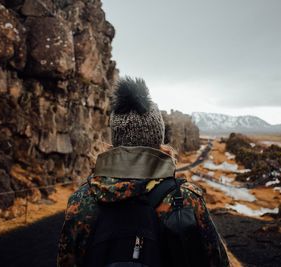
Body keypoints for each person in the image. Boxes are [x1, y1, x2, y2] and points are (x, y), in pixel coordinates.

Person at [57, 77, 229, 267]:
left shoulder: (80, 200)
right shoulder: (186, 199)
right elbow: (217, 262)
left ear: (115, 139)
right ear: (159, 140)